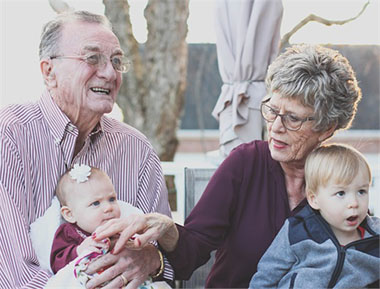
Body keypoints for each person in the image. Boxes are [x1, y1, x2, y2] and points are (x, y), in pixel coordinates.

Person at [91, 44, 363, 288]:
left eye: (293, 118)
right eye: (272, 109)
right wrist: (168, 228)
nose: (276, 127)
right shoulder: (245, 164)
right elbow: (190, 254)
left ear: (326, 128)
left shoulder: (345, 179)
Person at [0, 10, 173, 289]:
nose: (109, 73)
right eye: (92, 58)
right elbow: (13, 274)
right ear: (49, 71)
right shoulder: (9, 136)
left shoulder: (136, 149)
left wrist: (153, 259)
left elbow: (164, 257)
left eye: (116, 61)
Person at [249, 144, 380, 288]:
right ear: (314, 199)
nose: (354, 203)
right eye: (341, 193)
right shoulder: (298, 231)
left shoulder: (375, 236)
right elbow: (267, 276)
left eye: (361, 191)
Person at [47, 164, 170, 289]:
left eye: (112, 199)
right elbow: (57, 263)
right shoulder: (69, 232)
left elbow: (138, 256)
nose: (108, 207)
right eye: (95, 203)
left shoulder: (122, 228)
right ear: (70, 214)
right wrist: (79, 250)